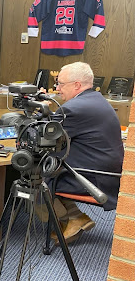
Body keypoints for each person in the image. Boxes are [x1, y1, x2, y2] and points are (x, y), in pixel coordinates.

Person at [48, 62, 124, 244]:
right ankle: (74, 218)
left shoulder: (72, 108)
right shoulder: (96, 100)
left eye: (61, 84)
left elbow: (47, 137)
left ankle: (72, 218)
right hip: (108, 172)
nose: (57, 89)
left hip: (94, 178)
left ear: (77, 85)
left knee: (34, 175)